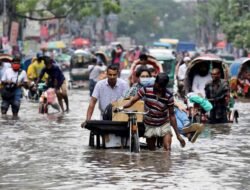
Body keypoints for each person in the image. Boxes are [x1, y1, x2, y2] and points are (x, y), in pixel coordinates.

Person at [120, 73, 186, 151]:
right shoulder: (145, 89)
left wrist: (178, 135)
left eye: (162, 87)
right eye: (158, 86)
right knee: (152, 151)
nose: (160, 89)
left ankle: (167, 162)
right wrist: (122, 107)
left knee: (167, 148)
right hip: (149, 124)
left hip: (163, 123)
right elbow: (133, 101)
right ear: (155, 82)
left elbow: (172, 115)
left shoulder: (169, 96)